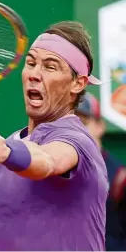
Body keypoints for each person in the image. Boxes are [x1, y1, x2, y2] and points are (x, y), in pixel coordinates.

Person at [0, 21, 109, 251]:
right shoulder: (4, 154)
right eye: (31, 63)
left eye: (50, 67)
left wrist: (6, 152)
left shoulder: (77, 141)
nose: (34, 74)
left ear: (77, 83)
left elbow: (46, 161)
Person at [75, 92, 126, 251]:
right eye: (66, 123)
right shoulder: (52, 170)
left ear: (100, 126)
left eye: (81, 122)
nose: (73, 130)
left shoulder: (120, 178)